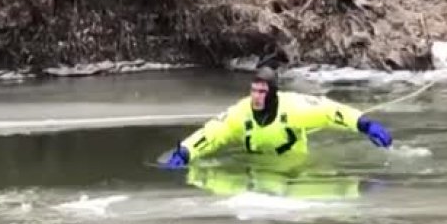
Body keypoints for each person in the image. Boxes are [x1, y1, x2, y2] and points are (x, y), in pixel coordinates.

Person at [160, 66, 392, 169]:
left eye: (262, 92)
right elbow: (212, 133)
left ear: (272, 93)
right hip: (256, 170)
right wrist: (186, 151)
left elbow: (330, 112)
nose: (256, 97)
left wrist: (364, 124)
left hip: (296, 169)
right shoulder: (241, 113)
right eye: (253, 90)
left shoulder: (294, 108)